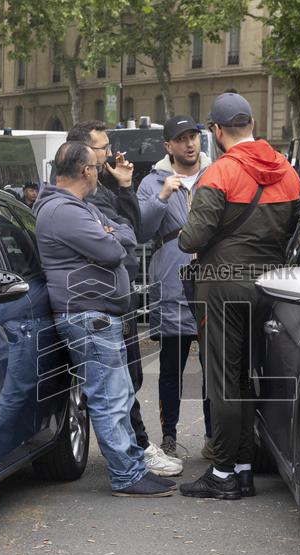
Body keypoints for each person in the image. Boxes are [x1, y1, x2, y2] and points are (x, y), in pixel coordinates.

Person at [177, 93, 300, 500]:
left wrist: (185, 225)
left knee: (224, 380)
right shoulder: (286, 169)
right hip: (271, 285)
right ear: (251, 124)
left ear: (216, 130)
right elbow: (295, 232)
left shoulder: (220, 173)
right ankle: (244, 469)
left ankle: (224, 472)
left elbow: (193, 238)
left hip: (222, 285)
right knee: (248, 378)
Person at [33, 142, 174, 497]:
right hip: (87, 316)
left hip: (96, 314)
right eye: (98, 165)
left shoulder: (77, 207)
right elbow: (114, 249)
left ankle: (133, 468)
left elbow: (125, 230)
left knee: (120, 393)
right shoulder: (64, 211)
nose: (101, 171)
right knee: (109, 397)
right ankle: (126, 476)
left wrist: (114, 233)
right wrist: (113, 236)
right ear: (87, 171)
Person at [66, 120, 183, 477]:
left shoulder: (104, 188)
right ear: (85, 153)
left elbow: (131, 232)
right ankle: (134, 452)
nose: (110, 152)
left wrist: (125, 185)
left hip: (119, 293)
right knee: (115, 383)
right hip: (98, 299)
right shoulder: (82, 197)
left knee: (128, 376)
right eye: (102, 146)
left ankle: (132, 450)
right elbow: (125, 238)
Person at [136, 115, 214, 459]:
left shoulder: (218, 174)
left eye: (194, 136)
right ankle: (169, 437)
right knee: (171, 369)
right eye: (181, 138)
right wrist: (164, 195)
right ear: (168, 146)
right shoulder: (152, 182)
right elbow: (141, 231)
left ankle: (215, 439)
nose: (190, 143)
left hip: (214, 283)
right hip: (173, 282)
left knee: (215, 370)